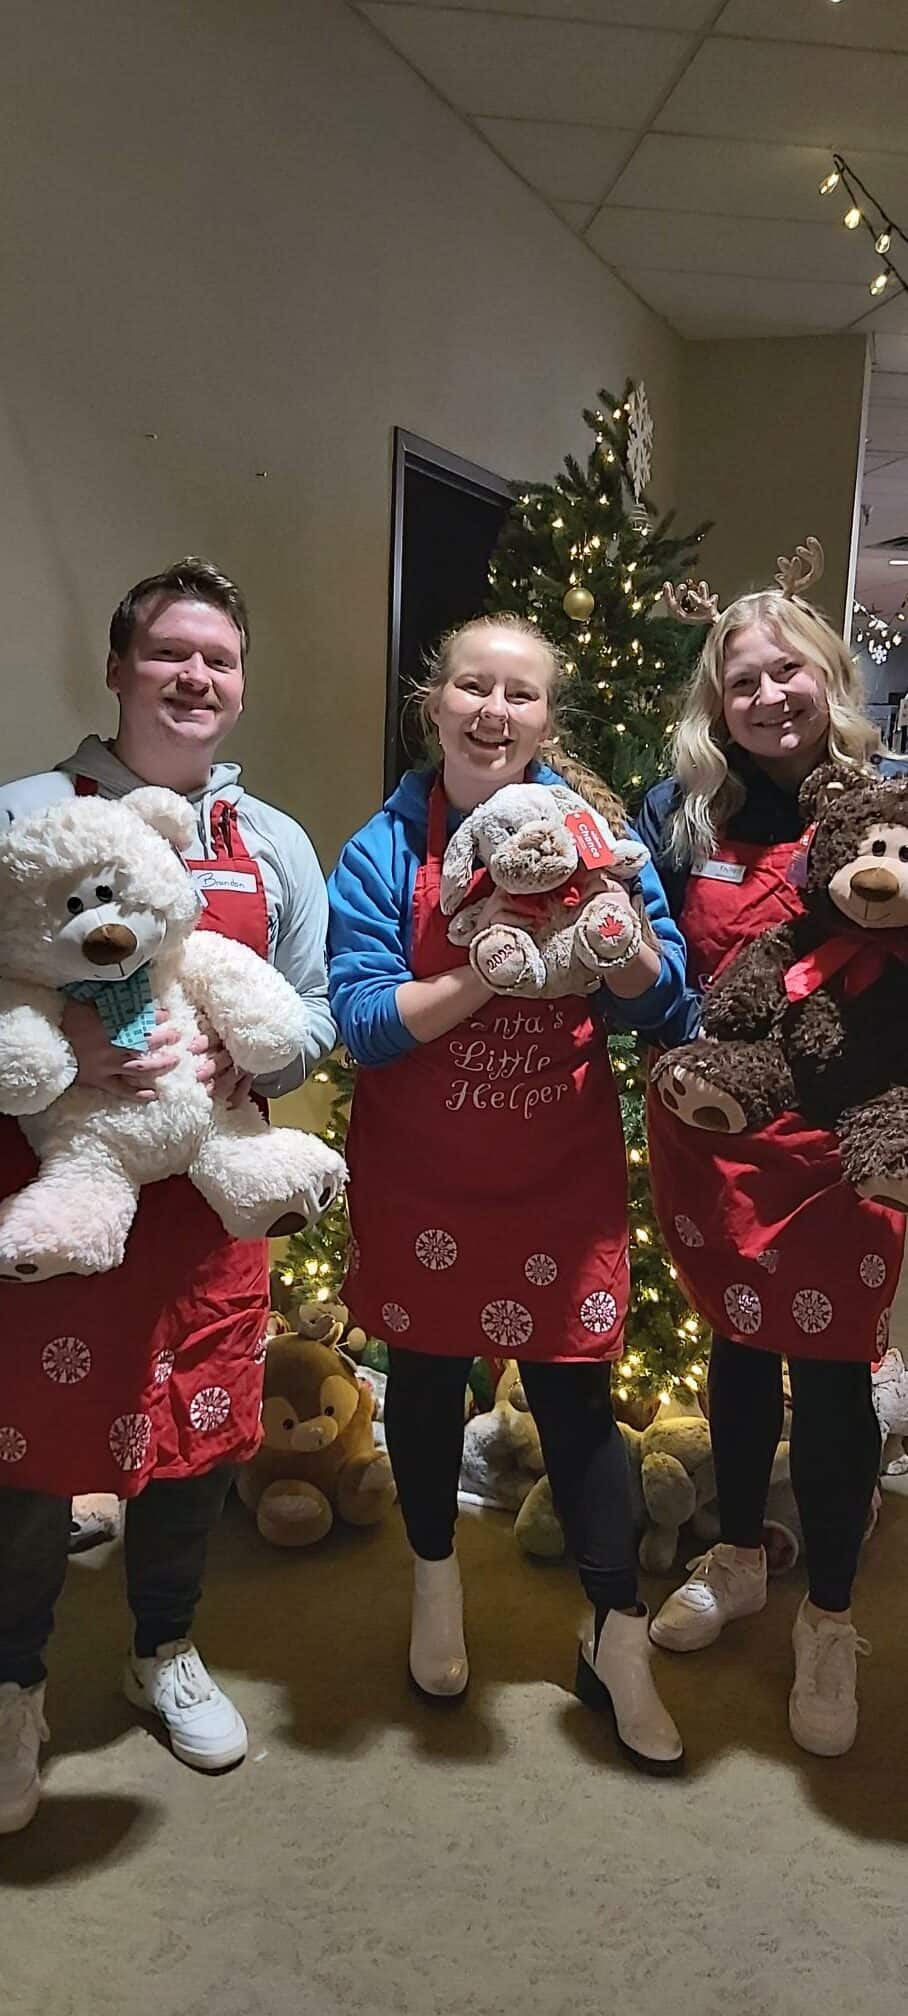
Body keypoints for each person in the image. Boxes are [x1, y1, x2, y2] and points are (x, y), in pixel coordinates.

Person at [0, 558, 334, 1831]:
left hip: (208, 1195)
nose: (195, 677)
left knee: (195, 1437)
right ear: (116, 669)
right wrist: (64, 1051)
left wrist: (236, 1047)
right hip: (61, 1188)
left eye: (219, 660)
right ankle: (12, 1682)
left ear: (238, 687)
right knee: (29, 1457)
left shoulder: (277, 843)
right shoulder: (27, 810)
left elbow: (308, 1013)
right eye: (169, 653)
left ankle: (163, 1648)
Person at [328, 613, 689, 1774]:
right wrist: (489, 973)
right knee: (427, 1380)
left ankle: (614, 1632)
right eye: (471, 688)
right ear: (433, 703)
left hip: (554, 1180)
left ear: (548, 718)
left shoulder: (599, 836)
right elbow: (366, 1022)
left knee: (577, 1403)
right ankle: (436, 1585)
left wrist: (612, 942)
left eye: (519, 695)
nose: (493, 710)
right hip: (424, 1175)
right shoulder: (386, 847)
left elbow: (660, 1004)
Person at [638, 549, 898, 1759]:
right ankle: (739, 1554)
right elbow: (660, 965)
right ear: (715, 703)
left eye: (783, 670)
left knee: (836, 1372)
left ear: (824, 675)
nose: (766, 697)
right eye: (740, 682)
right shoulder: (682, 814)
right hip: (723, 1129)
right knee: (736, 1343)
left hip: (840, 1146)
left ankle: (828, 1619)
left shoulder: (886, 799)